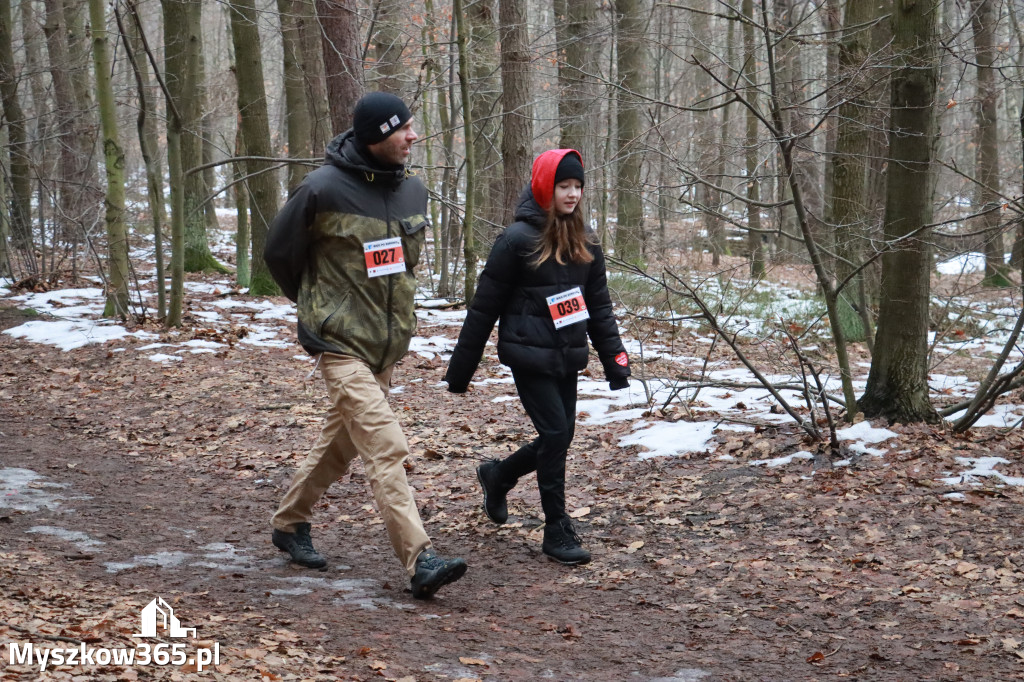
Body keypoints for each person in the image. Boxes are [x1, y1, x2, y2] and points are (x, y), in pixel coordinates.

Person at [264, 91, 467, 598]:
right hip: (338, 341)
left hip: (385, 346)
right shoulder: (322, 188)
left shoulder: (413, 192)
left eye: (413, 127)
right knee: (384, 445)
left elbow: (403, 267)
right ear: (377, 135)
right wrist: (317, 306)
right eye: (403, 129)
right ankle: (419, 559)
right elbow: (279, 253)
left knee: (340, 446)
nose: (413, 136)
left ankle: (289, 523)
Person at [444, 149, 630, 565]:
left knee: (560, 435)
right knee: (556, 435)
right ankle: (556, 528)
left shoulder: (587, 241)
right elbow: (484, 307)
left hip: (568, 356)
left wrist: (615, 362)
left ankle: (499, 474)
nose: (572, 194)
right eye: (564, 186)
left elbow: (598, 306)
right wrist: (461, 371)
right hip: (528, 355)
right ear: (546, 186)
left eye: (578, 187)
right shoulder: (516, 240)